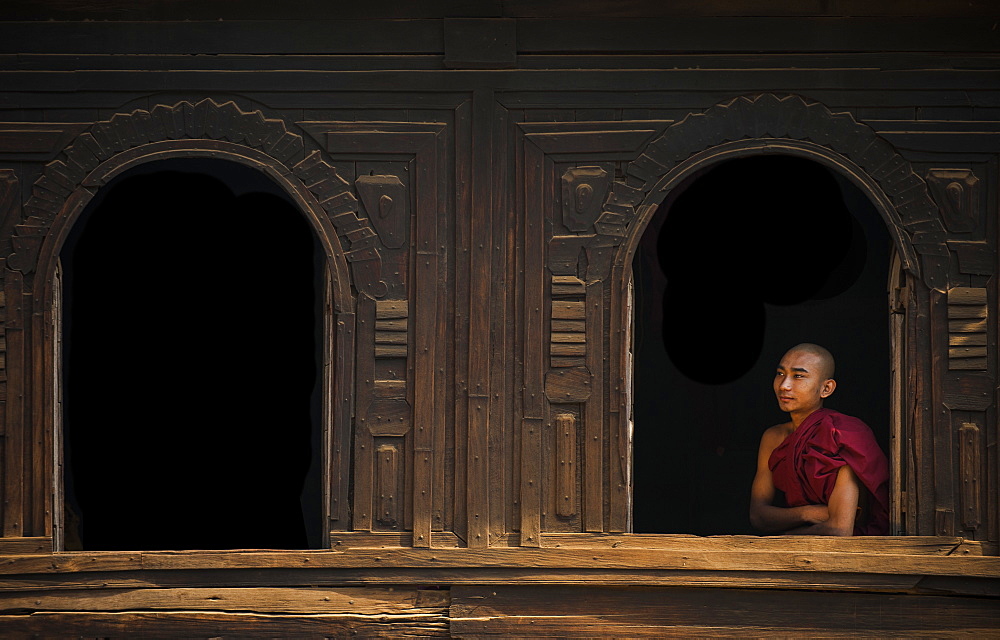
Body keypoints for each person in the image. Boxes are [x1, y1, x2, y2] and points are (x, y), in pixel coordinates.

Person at [749, 343, 889, 536]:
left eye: (798, 376)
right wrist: (809, 513)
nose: (784, 385)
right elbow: (759, 517)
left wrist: (772, 541)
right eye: (780, 374)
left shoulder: (840, 434)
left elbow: (839, 529)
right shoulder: (772, 438)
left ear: (826, 388)